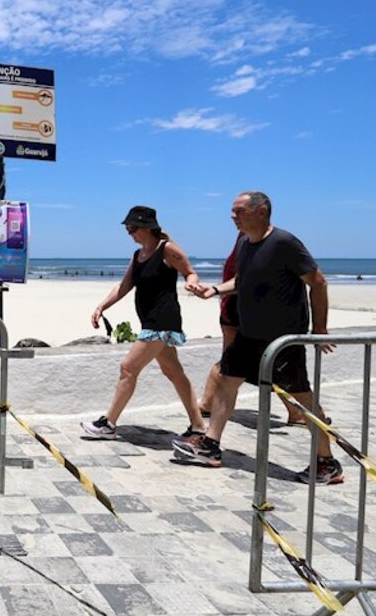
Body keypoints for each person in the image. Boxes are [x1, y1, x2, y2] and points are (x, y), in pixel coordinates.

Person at [173, 191, 343, 485]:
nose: (232, 216)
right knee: (227, 381)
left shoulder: (284, 243)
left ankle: (326, 463)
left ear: (261, 211)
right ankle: (211, 445)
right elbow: (243, 280)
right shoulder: (245, 243)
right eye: (232, 210)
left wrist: (320, 329)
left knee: (301, 399)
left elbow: (317, 281)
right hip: (249, 334)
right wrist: (215, 290)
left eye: (238, 210)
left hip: (282, 340)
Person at [82, 206, 206, 440]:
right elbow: (123, 286)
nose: (129, 233)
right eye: (127, 228)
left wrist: (192, 283)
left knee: (128, 368)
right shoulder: (138, 255)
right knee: (174, 372)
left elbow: (190, 272)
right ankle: (199, 426)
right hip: (150, 320)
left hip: (162, 319)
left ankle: (108, 424)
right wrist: (101, 307)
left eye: (132, 228)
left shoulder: (167, 249)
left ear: (147, 227)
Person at [197, 232, 304, 424]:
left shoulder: (249, 243)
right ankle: (208, 408)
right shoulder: (249, 243)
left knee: (242, 364)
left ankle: (207, 407)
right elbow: (244, 280)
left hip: (240, 312)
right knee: (238, 365)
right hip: (239, 312)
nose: (235, 217)